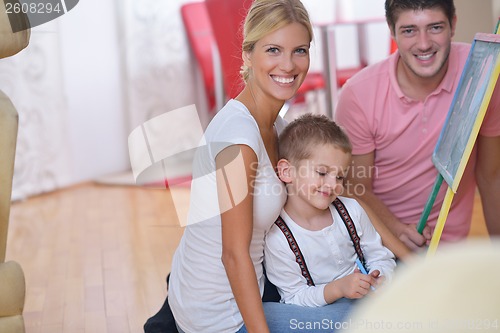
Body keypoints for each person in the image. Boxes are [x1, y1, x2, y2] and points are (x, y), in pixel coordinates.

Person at [165, 1, 354, 332]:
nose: (288, 64)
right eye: (273, 50)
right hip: (218, 317)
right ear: (248, 54)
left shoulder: (275, 126)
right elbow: (233, 255)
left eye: (299, 50)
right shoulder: (239, 139)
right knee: (375, 318)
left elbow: (324, 197)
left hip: (239, 288)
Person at [335, 0, 500, 251]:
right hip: (379, 246)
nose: (423, 44)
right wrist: (397, 229)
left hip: (450, 250)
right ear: (392, 31)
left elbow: (491, 177)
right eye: (409, 30)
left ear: (453, 25)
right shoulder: (359, 94)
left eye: (435, 27)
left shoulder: (481, 72)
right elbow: (356, 188)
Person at [264, 114, 396, 308]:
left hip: (370, 301)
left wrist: (380, 276)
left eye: (340, 176)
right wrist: (338, 289)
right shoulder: (278, 238)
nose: (333, 184)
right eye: (322, 173)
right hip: (323, 314)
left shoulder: (352, 210)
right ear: (287, 172)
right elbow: (294, 297)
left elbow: (380, 256)